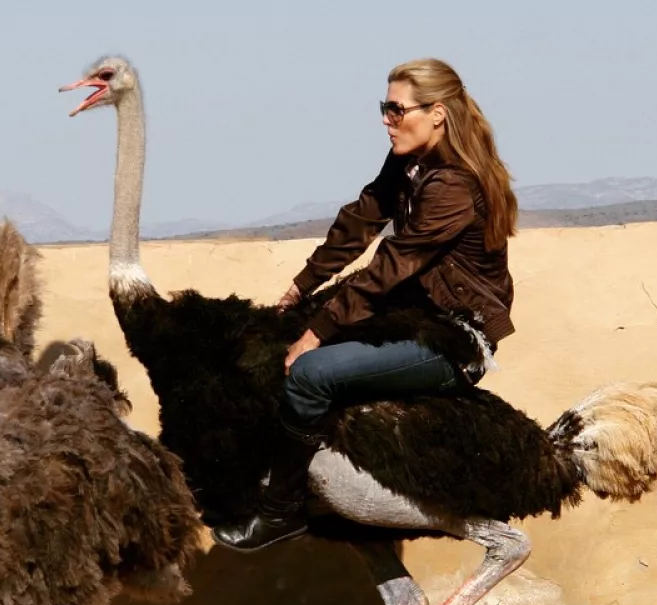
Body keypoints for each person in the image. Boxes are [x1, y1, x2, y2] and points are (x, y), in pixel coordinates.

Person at [212, 57, 518, 553]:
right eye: (384, 107)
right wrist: (301, 287)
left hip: (452, 338)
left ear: (437, 113)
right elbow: (361, 219)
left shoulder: (454, 186)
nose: (386, 120)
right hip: (415, 317)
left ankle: (281, 513)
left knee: (311, 372)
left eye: (397, 110)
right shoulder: (410, 164)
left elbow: (390, 265)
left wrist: (316, 332)